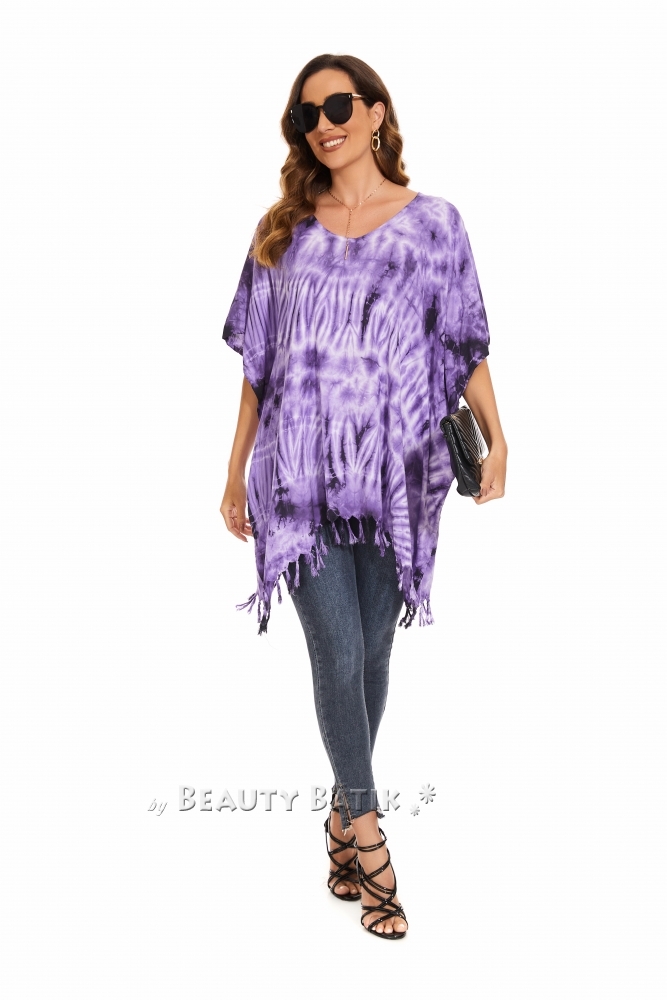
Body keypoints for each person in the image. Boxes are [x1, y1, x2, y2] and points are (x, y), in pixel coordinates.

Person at [220, 53, 507, 940]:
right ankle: (371, 836)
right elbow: (258, 367)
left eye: (338, 105)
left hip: (398, 476)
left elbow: (462, 340)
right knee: (336, 651)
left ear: (376, 112)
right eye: (306, 115)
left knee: (373, 655)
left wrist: (498, 436)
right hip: (296, 475)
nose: (323, 124)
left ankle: (339, 821)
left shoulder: (434, 224)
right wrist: (232, 472)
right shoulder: (281, 230)